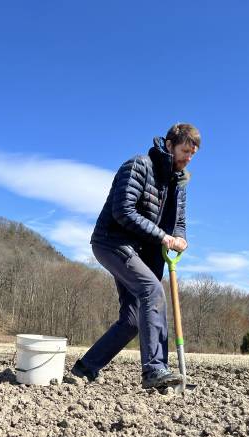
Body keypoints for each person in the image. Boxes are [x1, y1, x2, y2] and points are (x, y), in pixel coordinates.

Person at [72, 123, 200, 389]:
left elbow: (179, 222)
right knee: (152, 291)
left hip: (145, 250)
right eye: (184, 151)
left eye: (192, 154)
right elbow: (124, 211)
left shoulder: (180, 184)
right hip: (112, 241)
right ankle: (155, 370)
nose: (188, 158)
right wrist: (163, 237)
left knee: (132, 320)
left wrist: (180, 238)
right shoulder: (139, 165)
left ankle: (86, 368)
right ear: (169, 145)